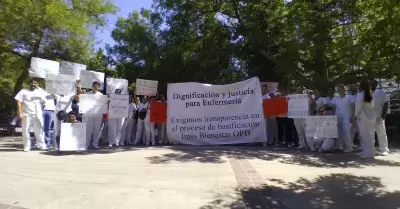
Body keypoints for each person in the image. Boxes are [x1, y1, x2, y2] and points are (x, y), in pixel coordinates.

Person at [14, 78, 47, 152]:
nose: (33, 84)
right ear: (29, 83)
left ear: (37, 84)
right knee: (25, 130)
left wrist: (43, 106)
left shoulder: (39, 92)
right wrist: (19, 112)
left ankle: (41, 145)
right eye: (32, 83)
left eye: (35, 83)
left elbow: (43, 102)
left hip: (37, 114)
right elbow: (19, 102)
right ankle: (27, 146)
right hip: (26, 114)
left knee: (39, 130)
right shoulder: (23, 91)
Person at [353, 81, 376, 159]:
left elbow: (358, 107)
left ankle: (368, 153)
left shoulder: (360, 95)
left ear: (361, 87)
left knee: (365, 135)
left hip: (364, 117)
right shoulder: (370, 95)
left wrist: (355, 116)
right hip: (372, 117)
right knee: (370, 135)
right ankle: (368, 151)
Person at [82, 81, 104, 149]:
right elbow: (83, 102)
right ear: (92, 86)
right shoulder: (87, 94)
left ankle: (95, 144)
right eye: (95, 86)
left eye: (97, 86)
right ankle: (86, 144)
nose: (96, 87)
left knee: (97, 129)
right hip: (89, 114)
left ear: (99, 87)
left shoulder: (101, 95)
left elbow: (103, 104)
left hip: (98, 114)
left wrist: (107, 102)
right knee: (88, 130)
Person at [332, 85, 353, 152]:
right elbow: (333, 108)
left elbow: (353, 107)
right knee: (338, 132)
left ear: (344, 90)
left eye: (341, 89)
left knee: (346, 132)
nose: (340, 91)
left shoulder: (350, 97)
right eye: (338, 90)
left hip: (347, 117)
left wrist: (353, 115)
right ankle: (338, 146)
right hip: (337, 116)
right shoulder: (335, 98)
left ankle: (349, 147)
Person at [371, 80, 389, 155]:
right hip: (369, 117)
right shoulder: (366, 93)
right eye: (370, 83)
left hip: (379, 116)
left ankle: (384, 149)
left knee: (381, 133)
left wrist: (383, 115)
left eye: (373, 83)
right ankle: (371, 149)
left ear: (376, 84)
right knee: (370, 134)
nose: (372, 84)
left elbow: (386, 103)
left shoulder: (381, 92)